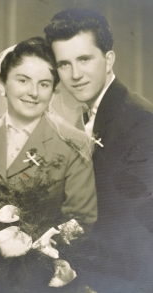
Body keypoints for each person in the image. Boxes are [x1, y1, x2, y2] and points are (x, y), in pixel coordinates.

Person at [0, 37, 97, 293]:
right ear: (2, 84)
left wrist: (37, 245)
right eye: (23, 80)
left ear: (54, 91)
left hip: (40, 271)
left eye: (44, 84)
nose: (33, 92)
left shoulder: (73, 144)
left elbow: (82, 217)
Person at [44, 8, 153, 293]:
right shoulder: (82, 115)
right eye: (64, 64)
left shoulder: (141, 119)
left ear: (108, 60)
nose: (75, 75)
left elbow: (137, 226)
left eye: (84, 59)